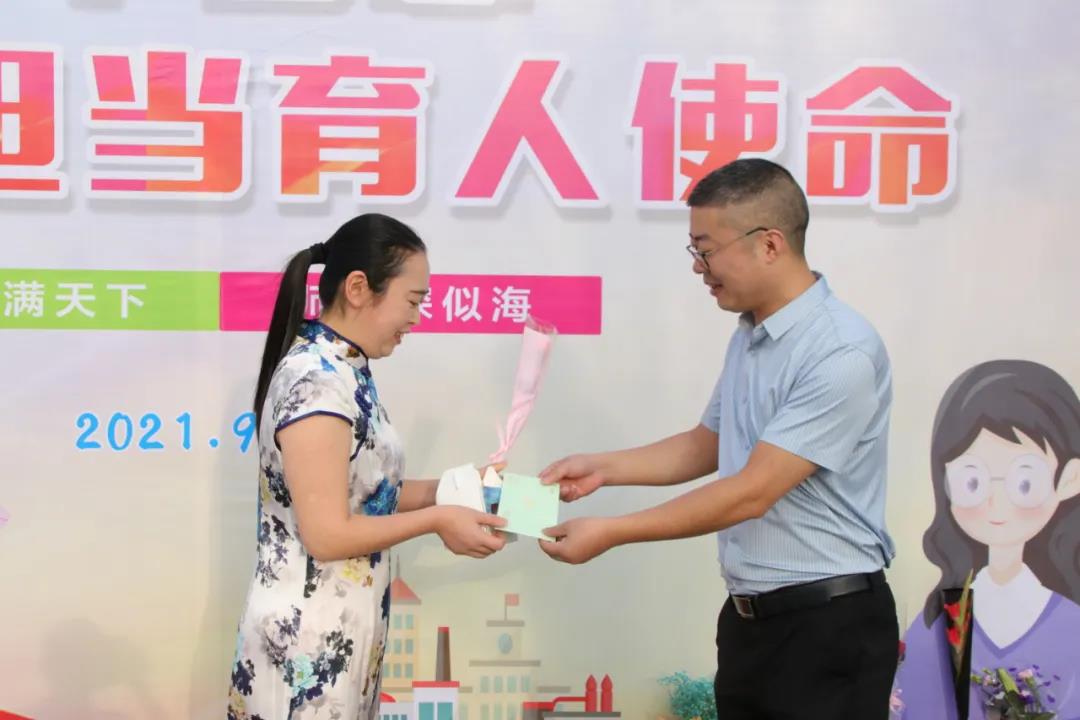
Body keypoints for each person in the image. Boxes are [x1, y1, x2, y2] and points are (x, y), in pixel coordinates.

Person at [538, 158, 898, 718]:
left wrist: (612, 531)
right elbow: (706, 443)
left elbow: (752, 492)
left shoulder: (839, 350)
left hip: (826, 627)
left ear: (770, 244)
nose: (698, 267)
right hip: (750, 624)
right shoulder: (752, 335)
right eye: (694, 250)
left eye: (706, 250)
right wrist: (603, 468)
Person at [228, 213, 506, 720]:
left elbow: (367, 493)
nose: (416, 318)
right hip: (304, 653)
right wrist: (438, 520)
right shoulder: (316, 381)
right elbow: (328, 534)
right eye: (413, 300)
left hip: (340, 641)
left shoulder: (347, 370)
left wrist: (461, 489)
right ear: (358, 288)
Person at [891, 359, 1080, 719]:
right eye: (973, 481)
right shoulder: (945, 618)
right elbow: (914, 702)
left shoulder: (1071, 623)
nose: (995, 503)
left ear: (1069, 478)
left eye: (1024, 482)